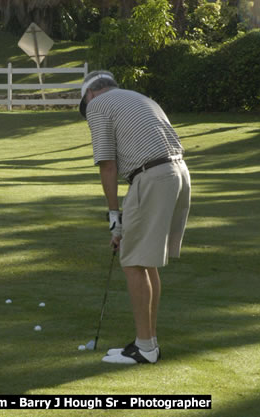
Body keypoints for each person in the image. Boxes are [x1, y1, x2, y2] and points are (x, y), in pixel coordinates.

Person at [80, 71, 191, 365]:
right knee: (144, 260)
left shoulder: (98, 105)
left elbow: (107, 164)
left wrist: (114, 216)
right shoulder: (138, 97)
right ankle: (147, 343)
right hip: (177, 173)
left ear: (90, 94)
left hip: (153, 176)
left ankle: (145, 348)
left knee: (132, 261)